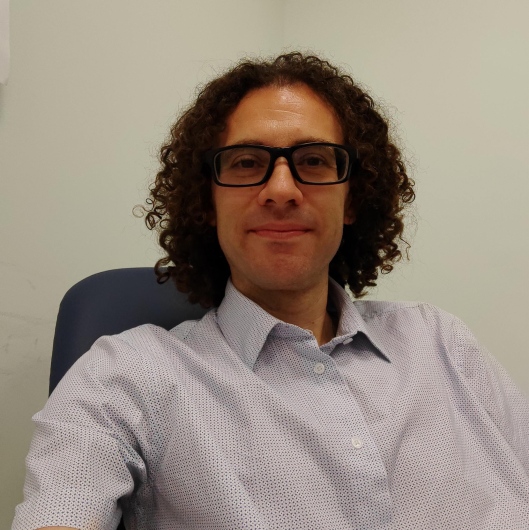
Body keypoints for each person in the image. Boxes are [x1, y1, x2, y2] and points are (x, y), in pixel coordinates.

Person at [13, 52, 529, 529]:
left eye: (314, 161)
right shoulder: (128, 377)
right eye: (246, 162)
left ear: (352, 200)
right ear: (207, 202)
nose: (281, 190)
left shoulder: (442, 342)